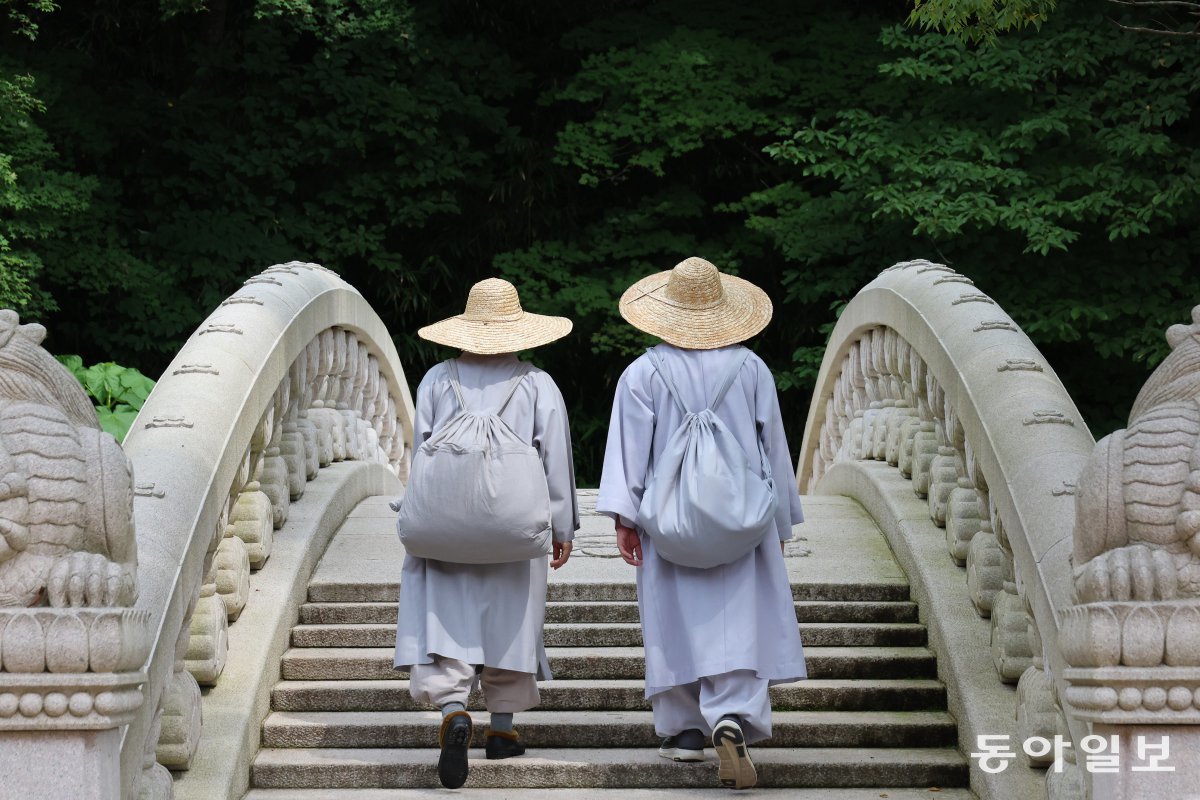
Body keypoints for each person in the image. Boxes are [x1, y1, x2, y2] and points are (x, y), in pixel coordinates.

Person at [596, 257, 806, 790]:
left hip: (668, 521)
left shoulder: (642, 372)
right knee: (741, 612)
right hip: (742, 518)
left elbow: (629, 453)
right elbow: (772, 450)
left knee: (672, 614)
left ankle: (686, 731)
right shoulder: (751, 368)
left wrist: (625, 516)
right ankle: (733, 714)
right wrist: (780, 521)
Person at [393, 278, 579, 789]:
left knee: (445, 615)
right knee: (513, 619)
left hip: (446, 524)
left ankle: (454, 709)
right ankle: (502, 731)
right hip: (513, 528)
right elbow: (555, 461)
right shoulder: (538, 384)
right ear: (518, 330)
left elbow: (422, 457)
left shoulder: (435, 379)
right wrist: (561, 526)